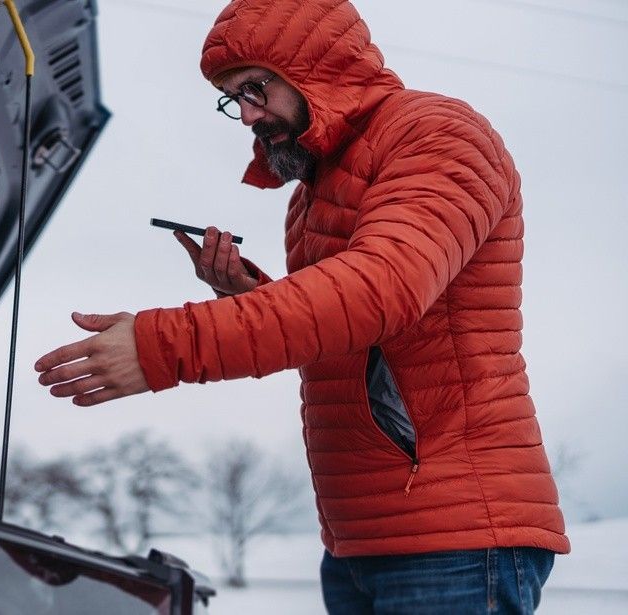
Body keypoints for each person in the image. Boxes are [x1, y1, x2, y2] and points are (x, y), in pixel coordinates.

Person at [33, 0, 569, 612]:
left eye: (256, 89)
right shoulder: (314, 193)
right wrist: (248, 295)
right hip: (356, 537)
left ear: (321, 67)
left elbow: (379, 292)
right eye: (233, 98)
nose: (248, 116)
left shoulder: (437, 134)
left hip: (456, 533)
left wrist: (164, 347)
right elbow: (347, 336)